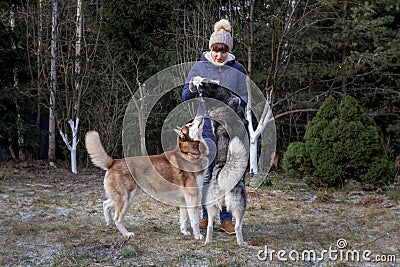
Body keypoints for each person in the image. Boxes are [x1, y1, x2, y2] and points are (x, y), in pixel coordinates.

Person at [182, 19, 248, 235]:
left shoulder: (237, 68)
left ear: (229, 50)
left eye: (223, 51)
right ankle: (205, 216)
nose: (219, 55)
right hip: (207, 130)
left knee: (229, 174)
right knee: (208, 175)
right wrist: (193, 86)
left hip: (229, 130)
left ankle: (227, 219)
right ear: (210, 48)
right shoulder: (199, 67)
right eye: (215, 50)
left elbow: (244, 96)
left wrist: (236, 102)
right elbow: (185, 96)